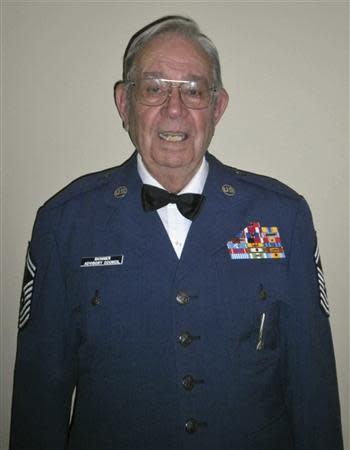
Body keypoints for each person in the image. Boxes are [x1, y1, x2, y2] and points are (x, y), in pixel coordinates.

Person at [10, 15, 343, 450]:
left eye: (193, 90)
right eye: (154, 88)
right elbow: (40, 398)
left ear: (218, 106)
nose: (174, 108)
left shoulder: (285, 217)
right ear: (123, 103)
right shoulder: (65, 224)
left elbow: (313, 388)